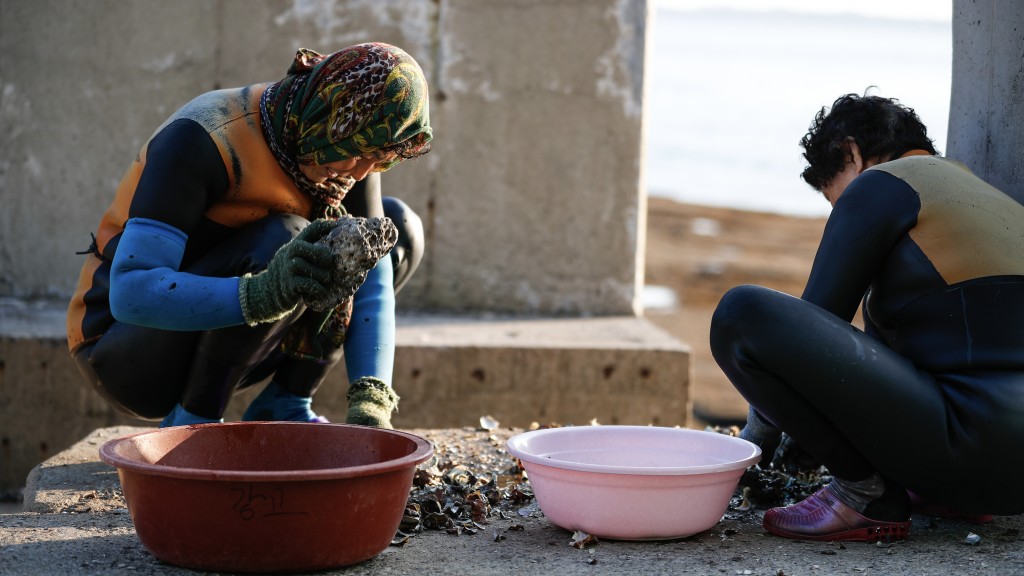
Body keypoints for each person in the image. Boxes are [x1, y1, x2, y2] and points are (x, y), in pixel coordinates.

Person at [66, 42, 431, 429]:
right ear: (330, 114)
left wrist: (370, 400)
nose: (359, 172)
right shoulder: (204, 138)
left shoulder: (347, 142)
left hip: (241, 342)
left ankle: (287, 401)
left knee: (395, 228)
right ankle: (194, 422)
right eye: (359, 154)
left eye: (379, 159)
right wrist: (262, 294)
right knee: (287, 237)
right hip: (128, 354)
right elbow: (131, 294)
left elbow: (370, 277)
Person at [709, 93, 1024, 542]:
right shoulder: (986, 198)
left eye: (836, 199)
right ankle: (940, 496)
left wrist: (755, 442)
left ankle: (864, 494)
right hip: (1007, 479)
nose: (842, 214)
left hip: (973, 446)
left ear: (852, 153)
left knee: (741, 313)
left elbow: (811, 324)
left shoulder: (883, 184)